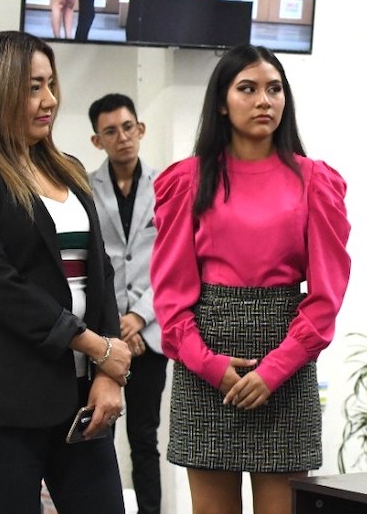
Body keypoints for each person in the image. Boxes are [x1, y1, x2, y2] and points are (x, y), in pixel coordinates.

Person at [150, 45, 351, 514]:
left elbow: (326, 296)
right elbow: (171, 295)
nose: (264, 100)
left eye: (274, 89)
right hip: (205, 365)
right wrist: (209, 365)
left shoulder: (314, 181)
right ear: (221, 102)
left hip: (286, 365)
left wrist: (274, 370)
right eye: (248, 89)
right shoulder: (188, 180)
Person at [0, 30, 132, 513]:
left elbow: (101, 275)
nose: (49, 99)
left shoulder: (68, 168)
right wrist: (95, 345)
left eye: (50, 84)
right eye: (33, 88)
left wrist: (107, 371)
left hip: (82, 395)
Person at [88, 93, 167, 514]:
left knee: (144, 437)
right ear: (97, 140)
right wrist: (116, 322)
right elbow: (89, 259)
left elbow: (173, 261)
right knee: (98, 433)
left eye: (128, 127)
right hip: (103, 334)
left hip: (149, 333)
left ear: (141, 129)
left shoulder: (166, 186)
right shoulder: (84, 186)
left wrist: (138, 316)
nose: (123, 137)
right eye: (111, 131)